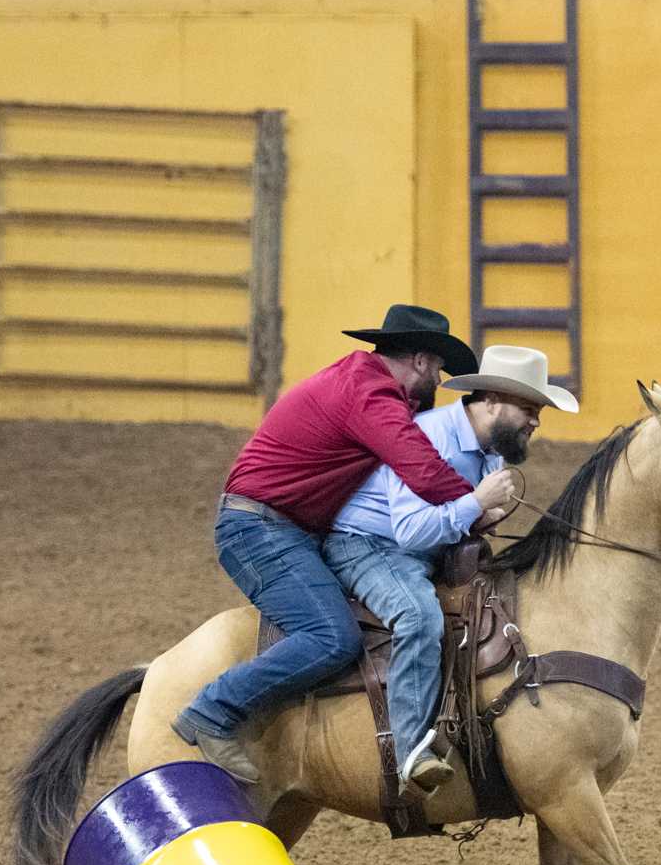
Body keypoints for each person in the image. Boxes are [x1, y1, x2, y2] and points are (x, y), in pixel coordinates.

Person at [171, 305, 522, 784]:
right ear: (420, 359)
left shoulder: (362, 383)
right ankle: (212, 711)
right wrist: (476, 505)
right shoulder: (371, 393)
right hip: (261, 529)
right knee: (331, 637)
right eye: (438, 368)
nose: (439, 380)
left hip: (284, 527)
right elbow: (418, 465)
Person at [321, 345, 578, 797]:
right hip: (366, 546)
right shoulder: (429, 436)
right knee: (418, 616)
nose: (536, 420)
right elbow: (409, 532)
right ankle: (409, 753)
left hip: (423, 553)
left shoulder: (492, 453)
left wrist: (481, 519)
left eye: (538, 410)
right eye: (528, 408)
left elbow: (455, 522)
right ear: (492, 401)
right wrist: (476, 504)